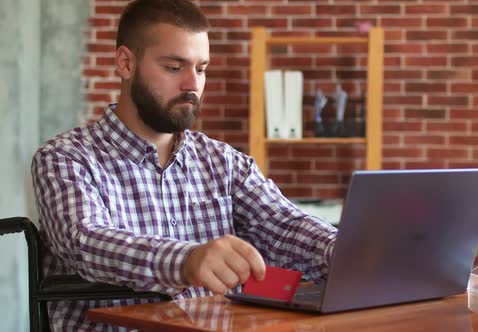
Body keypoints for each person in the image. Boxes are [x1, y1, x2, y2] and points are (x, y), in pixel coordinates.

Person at [31, 0, 337, 330]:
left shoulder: (224, 162)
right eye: (174, 68)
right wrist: (185, 261)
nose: (193, 84)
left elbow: (285, 225)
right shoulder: (65, 157)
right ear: (125, 63)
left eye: (201, 68)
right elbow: (85, 241)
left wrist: (349, 253)